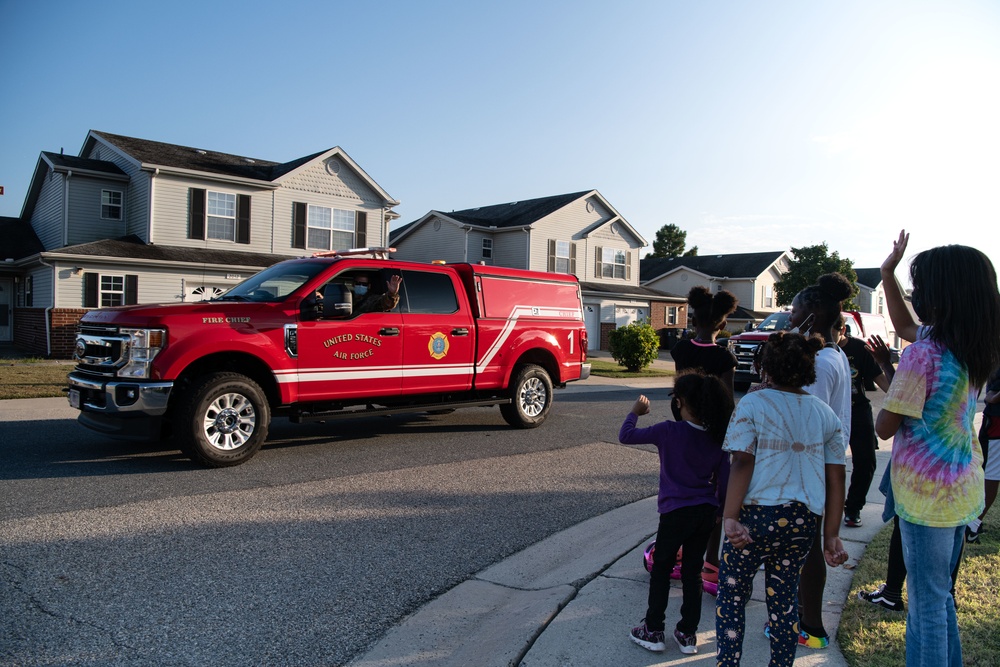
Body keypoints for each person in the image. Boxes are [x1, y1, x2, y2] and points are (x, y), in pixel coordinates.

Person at [874, 232, 1000, 667]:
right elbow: (905, 325)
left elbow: (885, 426)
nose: (915, 295)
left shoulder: (921, 355)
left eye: (920, 288)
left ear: (942, 296)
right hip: (962, 489)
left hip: (925, 499)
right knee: (940, 597)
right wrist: (887, 272)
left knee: (924, 606)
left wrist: (885, 381)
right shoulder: (973, 346)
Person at [716, 331, 848, 667]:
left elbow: (742, 461)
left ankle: (728, 663)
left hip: (754, 518)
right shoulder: (824, 414)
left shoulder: (753, 403)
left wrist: (731, 517)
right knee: (784, 602)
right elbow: (836, 477)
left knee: (732, 597)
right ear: (809, 371)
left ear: (765, 369)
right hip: (802, 523)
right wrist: (831, 534)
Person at [618, 371, 734, 655]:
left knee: (661, 570)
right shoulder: (716, 437)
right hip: (705, 512)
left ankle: (653, 628)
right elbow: (726, 478)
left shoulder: (668, 431)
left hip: (674, 513)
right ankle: (687, 634)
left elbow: (626, 436)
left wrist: (635, 412)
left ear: (680, 402)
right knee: (693, 573)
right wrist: (719, 508)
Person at [778, 272, 853, 649]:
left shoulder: (820, 362)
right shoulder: (833, 352)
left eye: (796, 310)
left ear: (816, 311)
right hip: (822, 465)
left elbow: (810, 422)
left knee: (807, 548)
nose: (790, 318)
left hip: (813, 467)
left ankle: (811, 626)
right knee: (803, 545)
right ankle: (803, 615)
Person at [669, 285, 739, 588]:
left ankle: (680, 551)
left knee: (681, 493)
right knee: (713, 498)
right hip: (715, 436)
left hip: (683, 432)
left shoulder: (681, 350)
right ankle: (710, 560)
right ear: (722, 325)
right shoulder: (725, 358)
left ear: (693, 320)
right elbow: (728, 400)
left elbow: (677, 391)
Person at [835, 316, 892, 527]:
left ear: (842, 329)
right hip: (831, 414)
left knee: (866, 461)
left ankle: (853, 508)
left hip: (857, 411)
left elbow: (882, 382)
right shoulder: (818, 349)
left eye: (833, 332)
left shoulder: (859, 349)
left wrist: (901, 397)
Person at [968, 367, 1000, 543]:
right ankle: (973, 523)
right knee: (983, 470)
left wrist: (993, 397)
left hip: (997, 422)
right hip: (992, 419)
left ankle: (972, 526)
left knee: (991, 475)